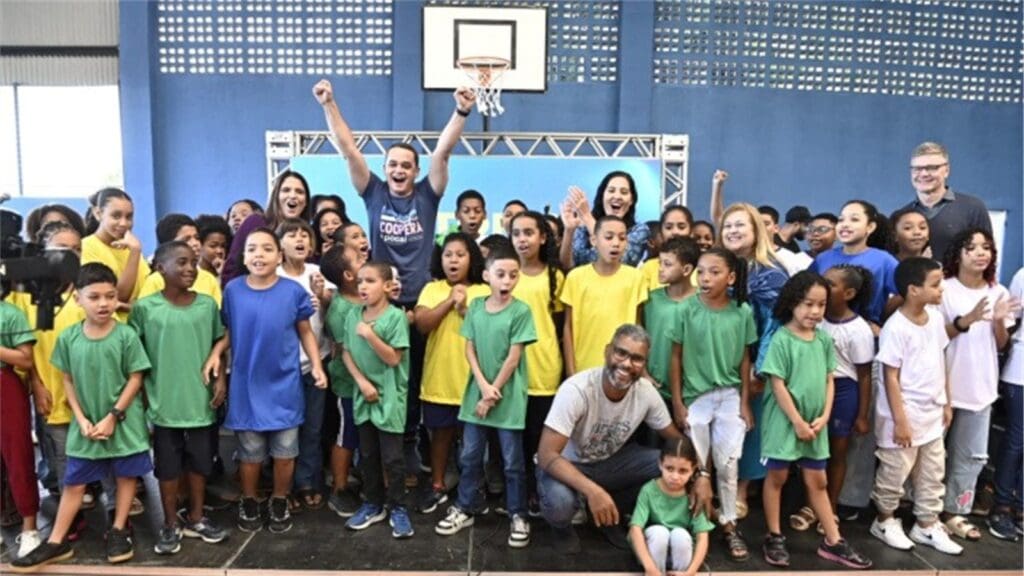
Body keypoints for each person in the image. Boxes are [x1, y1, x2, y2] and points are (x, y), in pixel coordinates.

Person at [13, 264, 152, 572]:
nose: (104, 303)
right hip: (85, 425)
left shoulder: (126, 335)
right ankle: (56, 541)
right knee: (74, 481)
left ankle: (119, 530)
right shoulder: (69, 337)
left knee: (125, 475)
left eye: (110, 296)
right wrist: (80, 417)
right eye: (94, 297)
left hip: (123, 422)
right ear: (78, 298)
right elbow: (67, 379)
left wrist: (113, 416)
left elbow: (136, 377)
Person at [536, 324, 711, 552]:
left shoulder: (646, 393)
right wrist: (593, 491)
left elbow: (677, 441)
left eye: (637, 359)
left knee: (667, 466)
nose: (627, 364)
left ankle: (611, 514)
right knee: (560, 502)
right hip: (567, 465)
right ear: (607, 351)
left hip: (609, 464)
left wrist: (702, 474)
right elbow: (547, 455)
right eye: (621, 353)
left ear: (644, 364)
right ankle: (562, 528)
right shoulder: (577, 389)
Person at [208, 228, 327, 535]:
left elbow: (305, 331)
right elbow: (230, 331)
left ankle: (279, 499)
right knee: (250, 454)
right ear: (244, 256)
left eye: (266, 249)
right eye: (252, 249)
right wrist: (217, 353)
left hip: (285, 384)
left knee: (285, 452)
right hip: (246, 385)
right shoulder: (233, 290)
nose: (259, 255)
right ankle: (249, 500)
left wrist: (316, 366)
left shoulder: (293, 291)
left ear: (279, 256)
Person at [758, 272, 872, 569]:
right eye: (808, 304)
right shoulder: (782, 339)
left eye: (821, 305)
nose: (815, 311)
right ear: (793, 303)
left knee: (818, 480)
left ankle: (833, 540)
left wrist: (824, 417)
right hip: (785, 423)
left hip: (815, 424)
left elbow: (829, 379)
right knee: (777, 477)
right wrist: (796, 421)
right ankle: (774, 535)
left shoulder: (823, 339)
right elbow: (778, 384)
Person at [129, 241, 229, 555]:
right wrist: (142, 397)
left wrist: (221, 378)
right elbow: (134, 356)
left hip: (200, 401)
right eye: (182, 262)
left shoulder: (206, 306)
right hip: (163, 404)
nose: (190, 269)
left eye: (193, 263)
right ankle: (170, 522)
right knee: (167, 467)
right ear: (160, 268)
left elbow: (220, 341)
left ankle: (196, 517)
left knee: (200, 463)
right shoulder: (145, 309)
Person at [435, 247, 537, 547]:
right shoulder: (477, 306)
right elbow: (469, 348)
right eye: (500, 274)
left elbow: (513, 358)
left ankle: (518, 514)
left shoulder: (521, 311)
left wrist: (492, 393)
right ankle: (466, 507)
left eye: (513, 275)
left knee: (512, 462)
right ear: (486, 276)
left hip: (508, 399)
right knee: (470, 456)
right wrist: (482, 386)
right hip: (475, 396)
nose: (507, 280)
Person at [870, 257, 962, 555]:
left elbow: (940, 359)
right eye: (935, 284)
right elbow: (890, 376)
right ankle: (884, 520)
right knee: (894, 472)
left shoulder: (934, 318)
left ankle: (926, 523)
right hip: (904, 413)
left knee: (932, 471)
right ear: (913, 289)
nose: (941, 290)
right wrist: (900, 421)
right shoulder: (896, 327)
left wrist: (946, 401)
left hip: (932, 412)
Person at [668, 247, 755, 561]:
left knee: (728, 464)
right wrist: (678, 403)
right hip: (696, 397)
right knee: (695, 465)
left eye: (714, 272)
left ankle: (729, 523)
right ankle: (696, 524)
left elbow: (745, 359)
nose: (705, 278)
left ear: (730, 278)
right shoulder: (685, 310)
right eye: (701, 271)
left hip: (730, 395)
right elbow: (675, 357)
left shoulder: (742, 312)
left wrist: (745, 403)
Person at [8, 222, 89, 540]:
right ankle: (70, 516)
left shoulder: (86, 295)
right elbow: (26, 350)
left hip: (87, 396)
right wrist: (37, 385)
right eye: (62, 249)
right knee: (60, 459)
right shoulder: (25, 299)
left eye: (77, 249)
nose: (71, 255)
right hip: (50, 393)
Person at [938, 229, 1019, 542]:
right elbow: (935, 336)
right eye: (971, 248)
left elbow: (1001, 344)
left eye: (986, 247)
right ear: (958, 254)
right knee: (931, 454)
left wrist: (998, 320)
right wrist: (966, 320)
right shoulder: (944, 288)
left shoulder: (998, 291)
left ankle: (955, 511)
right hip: (942, 384)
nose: (980, 253)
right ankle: (922, 511)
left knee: (970, 456)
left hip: (980, 385)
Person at [716, 202, 789, 516]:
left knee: (748, 426)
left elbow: (776, 325)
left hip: (753, 365)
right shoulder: (718, 268)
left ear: (756, 230)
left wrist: (759, 371)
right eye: (728, 225)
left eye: (740, 225)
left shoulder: (771, 274)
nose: (732, 231)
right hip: (719, 362)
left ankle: (741, 489)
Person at [788, 265, 873, 534]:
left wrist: (862, 414)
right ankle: (809, 505)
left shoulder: (858, 329)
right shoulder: (815, 320)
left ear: (849, 293)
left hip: (844, 391)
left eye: (831, 284)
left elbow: (864, 375)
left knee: (836, 452)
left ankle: (830, 508)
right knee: (810, 451)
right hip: (813, 388)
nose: (824, 286)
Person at [414, 233, 488, 512]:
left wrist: (465, 308)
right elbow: (422, 324)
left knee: (473, 442)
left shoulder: (484, 290)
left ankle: (472, 489)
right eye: (448, 255)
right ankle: (437, 485)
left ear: (472, 259)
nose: (453, 260)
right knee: (440, 436)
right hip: (440, 379)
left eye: (460, 254)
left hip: (475, 381)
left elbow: (491, 329)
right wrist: (448, 302)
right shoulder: (432, 289)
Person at [340, 262, 413, 538]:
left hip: (390, 396)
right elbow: (346, 352)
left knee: (392, 458)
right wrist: (361, 381)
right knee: (368, 454)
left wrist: (370, 335)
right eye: (360, 281)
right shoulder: (353, 315)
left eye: (370, 281)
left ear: (387, 286)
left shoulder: (395, 317)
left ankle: (398, 507)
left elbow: (394, 358)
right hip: (364, 395)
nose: (362, 286)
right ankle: (373, 503)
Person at [276, 218, 335, 511]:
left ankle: (307, 481)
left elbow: (332, 311)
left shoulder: (317, 272)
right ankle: (282, 487)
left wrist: (322, 295)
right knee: (285, 428)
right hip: (283, 365)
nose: (299, 239)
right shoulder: (272, 275)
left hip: (316, 361)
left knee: (312, 427)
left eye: (304, 235)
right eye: (292, 235)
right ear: (279, 245)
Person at [509, 211, 565, 515]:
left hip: (544, 370)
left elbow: (559, 325)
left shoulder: (555, 276)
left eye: (529, 233)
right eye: (516, 233)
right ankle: (516, 498)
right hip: (508, 372)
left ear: (543, 237)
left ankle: (540, 494)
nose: (522, 239)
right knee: (512, 443)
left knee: (538, 440)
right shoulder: (505, 273)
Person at [561, 216, 648, 375]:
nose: (616, 243)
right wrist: (570, 371)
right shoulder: (576, 277)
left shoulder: (636, 278)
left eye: (622, 238)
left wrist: (641, 371)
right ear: (594, 240)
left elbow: (638, 327)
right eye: (608, 237)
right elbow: (568, 328)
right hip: (583, 368)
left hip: (622, 369)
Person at [321, 245, 365, 518]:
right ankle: (339, 488)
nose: (365, 258)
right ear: (348, 275)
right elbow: (345, 350)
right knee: (346, 436)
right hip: (349, 385)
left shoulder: (366, 298)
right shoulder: (339, 310)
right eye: (359, 259)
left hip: (371, 383)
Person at [629, 436, 713, 576]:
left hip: (682, 555)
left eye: (683, 471)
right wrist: (650, 568)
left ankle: (681, 573)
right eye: (669, 468)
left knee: (680, 535)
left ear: (693, 469)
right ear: (660, 464)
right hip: (652, 553)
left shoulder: (694, 494)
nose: (675, 477)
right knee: (659, 532)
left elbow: (702, 536)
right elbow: (635, 528)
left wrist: (690, 572)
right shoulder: (649, 490)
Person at [811, 200, 898, 327]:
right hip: (822, 328)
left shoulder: (883, 260)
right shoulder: (823, 258)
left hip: (864, 331)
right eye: (841, 220)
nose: (845, 225)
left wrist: (881, 319)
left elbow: (905, 293)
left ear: (870, 227)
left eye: (854, 219)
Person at [902, 141, 992, 261]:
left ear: (947, 170)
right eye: (917, 169)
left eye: (932, 168)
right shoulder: (903, 216)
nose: (923, 174)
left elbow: (987, 257)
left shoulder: (972, 208)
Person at [0, 301, 41, 558]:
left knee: (18, 456)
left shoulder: (10, 314)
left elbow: (26, 359)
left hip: (5, 385)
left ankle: (30, 528)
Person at [221, 171, 312, 287]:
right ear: (275, 196)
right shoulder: (255, 223)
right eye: (286, 190)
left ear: (306, 202)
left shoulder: (308, 236)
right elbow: (232, 267)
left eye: (299, 192)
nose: (293, 195)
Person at [988, 266, 1024, 540]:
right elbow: (1011, 320)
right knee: (1016, 440)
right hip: (1020, 372)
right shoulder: (1023, 275)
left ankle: (1021, 508)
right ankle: (1001, 506)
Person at [81, 188, 150, 319]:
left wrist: (127, 307)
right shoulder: (86, 248)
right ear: (98, 213)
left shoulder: (131, 247)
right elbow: (116, 297)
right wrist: (135, 252)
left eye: (129, 217)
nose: (124, 223)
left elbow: (148, 302)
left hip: (139, 328)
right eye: (116, 216)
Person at [560, 171, 650, 269]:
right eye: (611, 191)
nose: (617, 196)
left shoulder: (639, 230)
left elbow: (620, 261)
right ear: (602, 196)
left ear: (631, 200)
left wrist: (587, 217)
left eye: (624, 192)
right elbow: (567, 266)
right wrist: (569, 230)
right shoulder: (583, 228)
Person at [645, 237, 699, 396]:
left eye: (667, 264)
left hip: (692, 392)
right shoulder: (650, 300)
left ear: (686, 270)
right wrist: (643, 374)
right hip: (655, 387)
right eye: (660, 263)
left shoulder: (703, 302)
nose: (661, 269)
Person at [139, 213, 223, 306]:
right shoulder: (156, 280)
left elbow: (216, 312)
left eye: (197, 238)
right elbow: (145, 311)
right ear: (169, 246)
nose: (195, 243)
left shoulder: (209, 280)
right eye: (186, 239)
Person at [640, 206, 693, 293]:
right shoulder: (648, 268)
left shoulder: (702, 266)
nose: (675, 232)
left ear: (691, 231)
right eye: (668, 227)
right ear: (661, 233)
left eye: (681, 227)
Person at [195, 215, 231, 279]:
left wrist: (223, 275)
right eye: (213, 246)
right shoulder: (192, 274)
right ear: (200, 245)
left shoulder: (227, 274)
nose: (219, 251)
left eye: (223, 246)